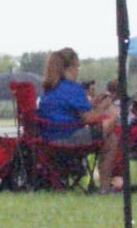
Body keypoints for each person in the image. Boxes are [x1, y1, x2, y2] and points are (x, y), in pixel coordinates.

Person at [37, 48, 119, 191]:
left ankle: (104, 188)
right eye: (77, 66)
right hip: (68, 139)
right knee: (111, 123)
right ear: (69, 68)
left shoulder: (50, 88)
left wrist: (94, 103)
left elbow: (68, 110)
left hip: (48, 142)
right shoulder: (73, 88)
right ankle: (104, 188)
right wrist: (105, 105)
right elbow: (88, 118)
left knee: (110, 140)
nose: (78, 71)